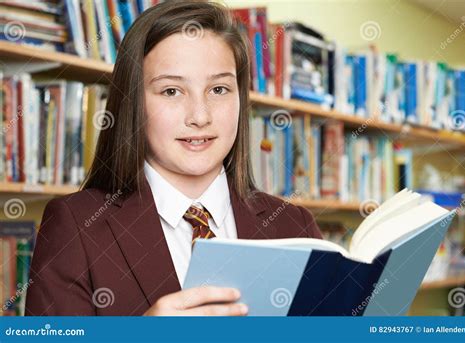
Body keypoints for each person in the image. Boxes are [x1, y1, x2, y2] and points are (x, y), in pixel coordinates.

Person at [25, 0, 322, 316]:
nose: (200, 116)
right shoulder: (76, 227)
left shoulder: (295, 226)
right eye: (171, 91)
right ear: (134, 102)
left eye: (219, 89)